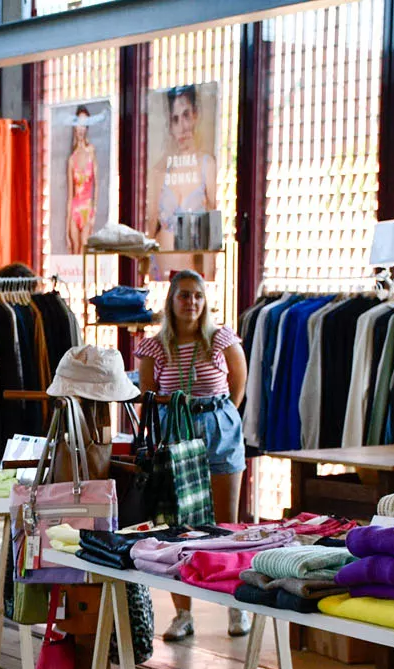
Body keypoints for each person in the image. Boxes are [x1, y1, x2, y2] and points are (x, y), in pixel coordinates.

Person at [134, 270, 250, 639]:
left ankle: (235, 606)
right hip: (174, 432)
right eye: (184, 295)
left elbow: (238, 382)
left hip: (218, 426)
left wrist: (218, 415)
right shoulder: (155, 346)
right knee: (177, 523)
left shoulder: (220, 339)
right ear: (171, 300)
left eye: (198, 295)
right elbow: (149, 398)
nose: (192, 303)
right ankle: (183, 613)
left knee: (226, 523)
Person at [154, 85, 219, 253]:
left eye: (186, 115)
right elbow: (150, 231)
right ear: (171, 126)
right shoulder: (162, 170)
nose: (182, 127)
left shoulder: (207, 165)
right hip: (159, 270)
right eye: (175, 119)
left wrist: (210, 273)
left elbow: (213, 232)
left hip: (194, 271)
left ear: (195, 115)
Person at [66, 106, 97, 255]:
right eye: (78, 124)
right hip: (75, 210)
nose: (81, 129)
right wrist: (66, 228)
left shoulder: (91, 151)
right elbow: (70, 196)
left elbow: (96, 185)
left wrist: (93, 213)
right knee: (74, 250)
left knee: (84, 248)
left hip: (87, 207)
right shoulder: (72, 159)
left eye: (84, 125)